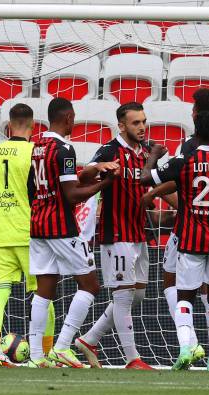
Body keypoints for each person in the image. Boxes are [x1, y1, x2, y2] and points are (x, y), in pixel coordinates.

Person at [141, 88, 209, 367]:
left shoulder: (188, 155)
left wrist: (154, 159)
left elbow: (152, 177)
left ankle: (187, 347)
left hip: (190, 233)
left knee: (183, 294)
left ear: (197, 123)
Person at [27, 97, 119, 368]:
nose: (75, 122)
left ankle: (35, 356)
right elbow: (71, 195)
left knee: (45, 290)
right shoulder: (64, 148)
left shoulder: (37, 146)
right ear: (67, 118)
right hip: (60, 226)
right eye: (74, 117)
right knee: (90, 285)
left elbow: (38, 187)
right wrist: (105, 184)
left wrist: (92, 172)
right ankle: (63, 346)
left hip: (38, 224)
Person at [75, 102, 154, 370]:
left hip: (138, 231)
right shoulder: (111, 149)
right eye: (135, 123)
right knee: (123, 294)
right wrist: (99, 166)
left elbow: (154, 186)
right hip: (116, 232)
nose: (142, 127)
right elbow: (83, 176)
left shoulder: (146, 152)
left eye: (143, 121)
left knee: (139, 294)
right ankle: (133, 359)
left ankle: (90, 339)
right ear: (122, 126)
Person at [0, 103, 55, 367]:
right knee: (43, 295)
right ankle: (45, 353)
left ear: (8, 126)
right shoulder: (34, 152)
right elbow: (38, 193)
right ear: (34, 126)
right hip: (29, 234)